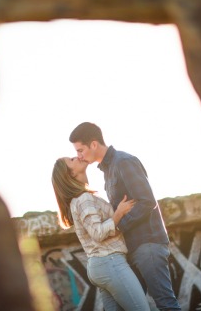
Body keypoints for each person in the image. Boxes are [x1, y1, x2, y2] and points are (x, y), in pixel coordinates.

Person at [69, 122, 181, 311]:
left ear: (94, 144)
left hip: (148, 246)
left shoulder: (123, 162)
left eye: (80, 150)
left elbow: (147, 201)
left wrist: (119, 225)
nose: (79, 156)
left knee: (166, 304)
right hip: (132, 250)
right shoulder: (108, 170)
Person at [52, 156, 151, 311]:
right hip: (110, 262)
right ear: (69, 174)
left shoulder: (80, 199)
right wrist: (118, 213)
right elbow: (97, 233)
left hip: (102, 265)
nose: (77, 157)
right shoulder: (83, 199)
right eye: (72, 159)